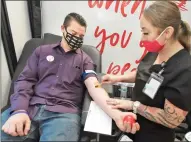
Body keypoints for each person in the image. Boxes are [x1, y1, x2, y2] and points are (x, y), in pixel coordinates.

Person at [1, 13, 140, 141]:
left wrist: (116, 115)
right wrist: (19, 110)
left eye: (81, 36)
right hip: (31, 107)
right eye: (73, 33)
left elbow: (94, 86)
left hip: (63, 115)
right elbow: (25, 80)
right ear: (63, 28)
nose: (77, 39)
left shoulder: (85, 60)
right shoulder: (41, 51)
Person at [102, 1, 191, 142]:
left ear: (167, 32)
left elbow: (171, 120)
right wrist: (117, 78)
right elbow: (143, 73)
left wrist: (134, 106)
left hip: (153, 136)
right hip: (132, 124)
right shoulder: (156, 51)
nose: (142, 39)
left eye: (146, 32)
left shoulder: (187, 72)